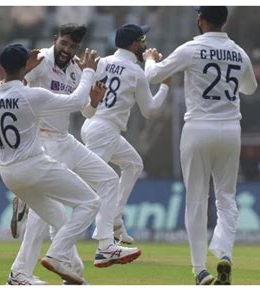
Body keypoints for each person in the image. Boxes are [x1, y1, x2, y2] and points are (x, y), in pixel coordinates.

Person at [7, 24, 141, 285]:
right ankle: (19, 272)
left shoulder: (75, 69)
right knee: (42, 215)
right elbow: (16, 92)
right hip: (41, 142)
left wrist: (93, 102)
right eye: (64, 43)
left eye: (73, 46)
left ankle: (105, 246)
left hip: (64, 139)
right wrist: (24, 72)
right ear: (55, 39)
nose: (67, 50)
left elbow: (86, 114)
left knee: (108, 179)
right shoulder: (41, 61)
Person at [144, 6, 258, 285]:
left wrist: (148, 59)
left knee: (196, 200)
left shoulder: (191, 49)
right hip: (230, 130)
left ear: (200, 20)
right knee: (226, 199)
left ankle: (200, 270)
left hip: (198, 129)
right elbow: (250, 88)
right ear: (225, 21)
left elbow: (153, 76)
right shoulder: (239, 52)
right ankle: (224, 253)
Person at [0, 43, 104, 285]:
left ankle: (28, 274)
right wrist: (87, 71)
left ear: (2, 66)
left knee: (57, 215)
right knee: (90, 202)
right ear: (26, 65)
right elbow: (77, 102)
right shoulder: (32, 95)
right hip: (34, 165)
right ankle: (56, 255)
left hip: (8, 173)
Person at [80, 23, 170, 246]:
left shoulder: (102, 62)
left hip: (94, 124)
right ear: (133, 44)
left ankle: (116, 220)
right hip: (105, 131)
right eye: (142, 41)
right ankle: (37, 197)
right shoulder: (136, 72)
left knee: (133, 164)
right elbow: (149, 111)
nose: (145, 45)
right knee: (84, 184)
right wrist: (165, 86)